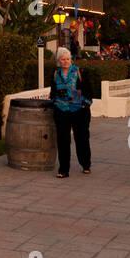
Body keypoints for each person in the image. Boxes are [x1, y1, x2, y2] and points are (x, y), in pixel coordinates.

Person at [51, 47, 91, 178]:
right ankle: (63, 169)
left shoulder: (79, 72)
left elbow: (88, 90)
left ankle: (85, 164)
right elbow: (53, 90)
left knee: (81, 138)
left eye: (68, 59)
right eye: (63, 59)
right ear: (58, 61)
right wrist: (54, 101)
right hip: (62, 110)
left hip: (79, 110)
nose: (66, 61)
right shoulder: (56, 74)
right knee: (63, 140)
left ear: (71, 60)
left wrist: (86, 103)